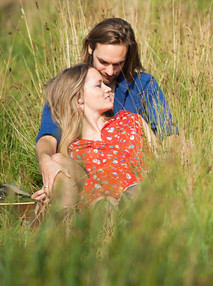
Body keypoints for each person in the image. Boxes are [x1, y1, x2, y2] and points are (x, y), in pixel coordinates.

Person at [34, 18, 175, 202]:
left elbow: (168, 134)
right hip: (90, 175)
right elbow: (48, 138)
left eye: (118, 64)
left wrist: (175, 156)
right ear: (91, 49)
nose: (110, 71)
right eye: (104, 62)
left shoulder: (142, 86)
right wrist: (46, 162)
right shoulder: (70, 87)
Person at [32, 63, 156, 208]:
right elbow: (47, 144)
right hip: (98, 209)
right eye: (99, 85)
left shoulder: (132, 121)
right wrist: (50, 188)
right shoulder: (73, 149)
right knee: (102, 204)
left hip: (143, 199)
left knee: (136, 194)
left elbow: (160, 158)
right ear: (79, 98)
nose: (108, 89)